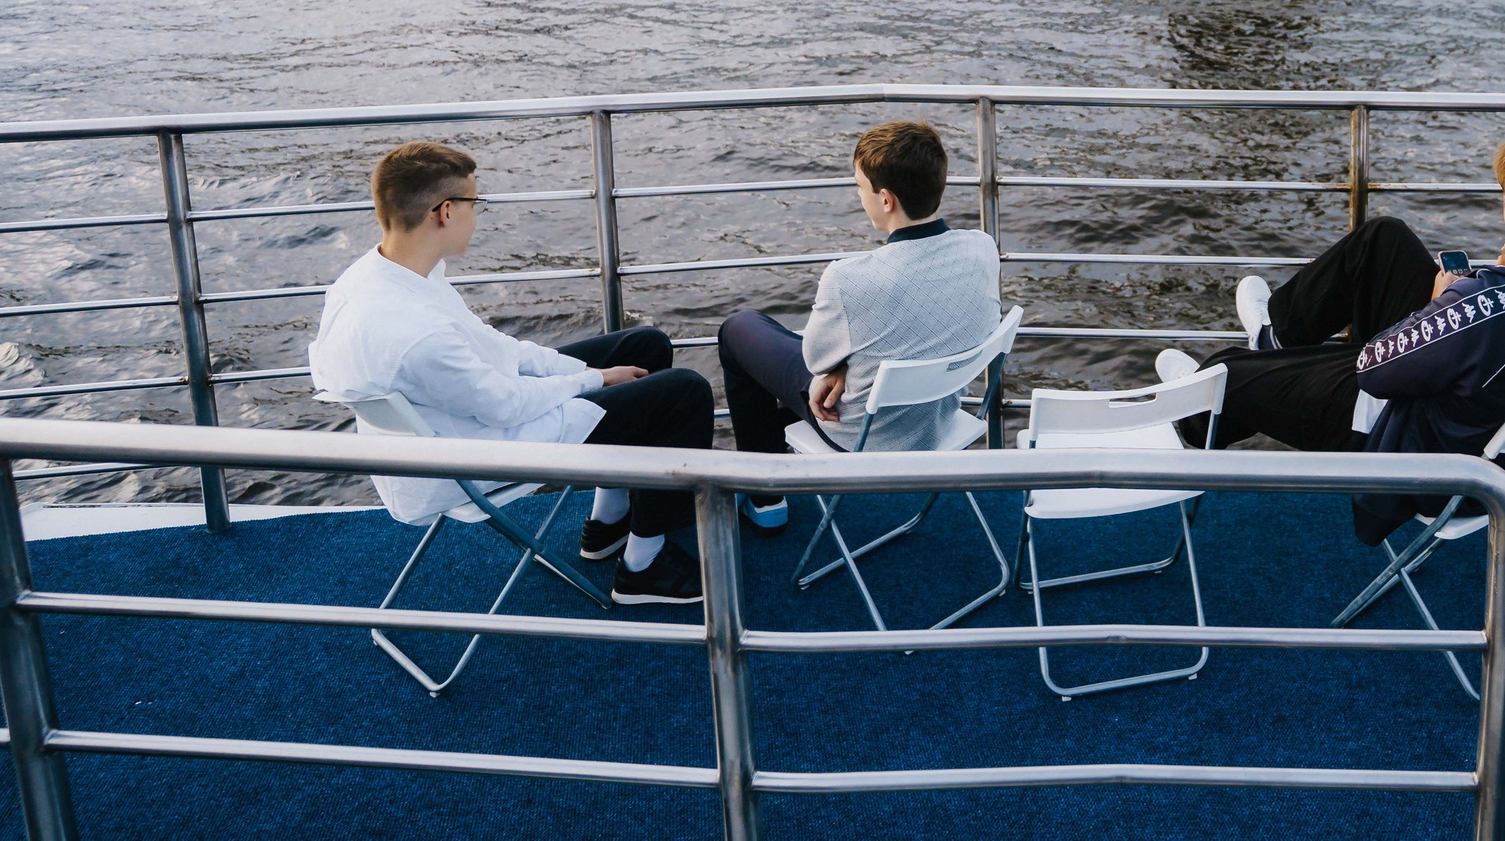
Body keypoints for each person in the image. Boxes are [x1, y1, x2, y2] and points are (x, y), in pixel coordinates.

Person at [1167, 126, 1505, 546]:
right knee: (1385, 239)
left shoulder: (1479, 308)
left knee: (1228, 373)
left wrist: (1439, 304)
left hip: (1423, 456)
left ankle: (1187, 418)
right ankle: (1276, 341)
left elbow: (1372, 369)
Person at [308, 140, 716, 607]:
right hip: (474, 456)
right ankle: (644, 568)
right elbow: (507, 407)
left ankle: (610, 522)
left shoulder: (378, 276)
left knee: (646, 346)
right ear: (445, 212)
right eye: (475, 203)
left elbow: (493, 347)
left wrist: (589, 371)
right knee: (685, 392)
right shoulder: (417, 335)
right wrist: (595, 379)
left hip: (454, 425)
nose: (477, 215)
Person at [716, 121, 1002, 522]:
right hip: (938, 421)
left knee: (739, 331)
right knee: (829, 358)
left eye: (860, 186)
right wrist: (845, 364)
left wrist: (836, 366)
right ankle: (768, 473)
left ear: (886, 199)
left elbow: (816, 362)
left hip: (861, 435)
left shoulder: (848, 278)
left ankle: (766, 497)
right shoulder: (982, 248)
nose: (858, 195)